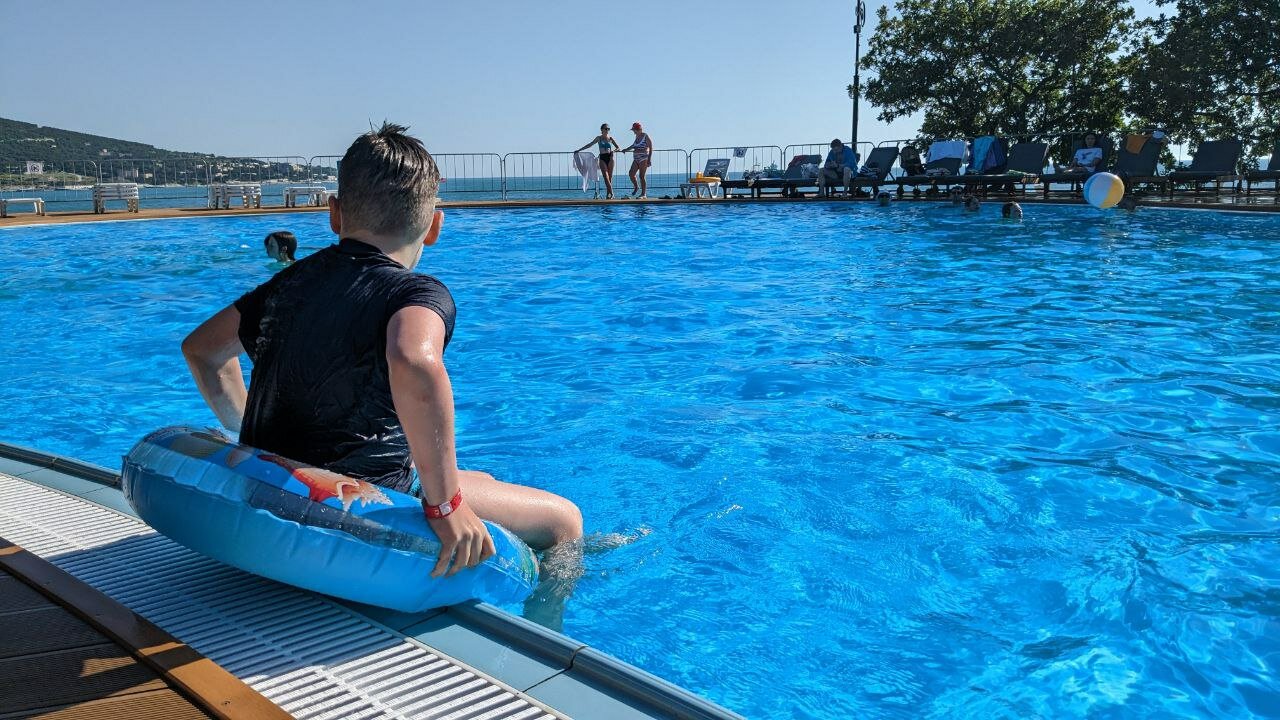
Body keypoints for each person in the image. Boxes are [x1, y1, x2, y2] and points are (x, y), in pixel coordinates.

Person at [182, 123, 583, 580]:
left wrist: (250, 442)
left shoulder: (286, 283)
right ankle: (537, 619)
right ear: (434, 226)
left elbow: (202, 350)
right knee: (565, 521)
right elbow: (413, 360)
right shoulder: (415, 293)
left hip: (274, 483)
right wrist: (445, 504)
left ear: (334, 214)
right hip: (368, 493)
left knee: (486, 482)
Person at [575, 124, 621, 199]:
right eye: (606, 129)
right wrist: (579, 150)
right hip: (602, 157)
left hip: (610, 157)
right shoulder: (599, 138)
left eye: (608, 129)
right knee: (606, 177)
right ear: (602, 129)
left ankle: (608, 194)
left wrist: (614, 151)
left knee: (610, 177)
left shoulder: (610, 138)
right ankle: (612, 193)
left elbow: (618, 147)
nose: (607, 130)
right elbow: (590, 144)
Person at [619, 122, 653, 198]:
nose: (633, 132)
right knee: (631, 173)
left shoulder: (645, 136)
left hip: (643, 158)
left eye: (634, 130)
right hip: (636, 159)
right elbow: (633, 146)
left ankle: (643, 194)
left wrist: (649, 159)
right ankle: (636, 186)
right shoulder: (637, 137)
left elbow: (651, 148)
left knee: (641, 176)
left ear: (638, 129)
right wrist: (626, 149)